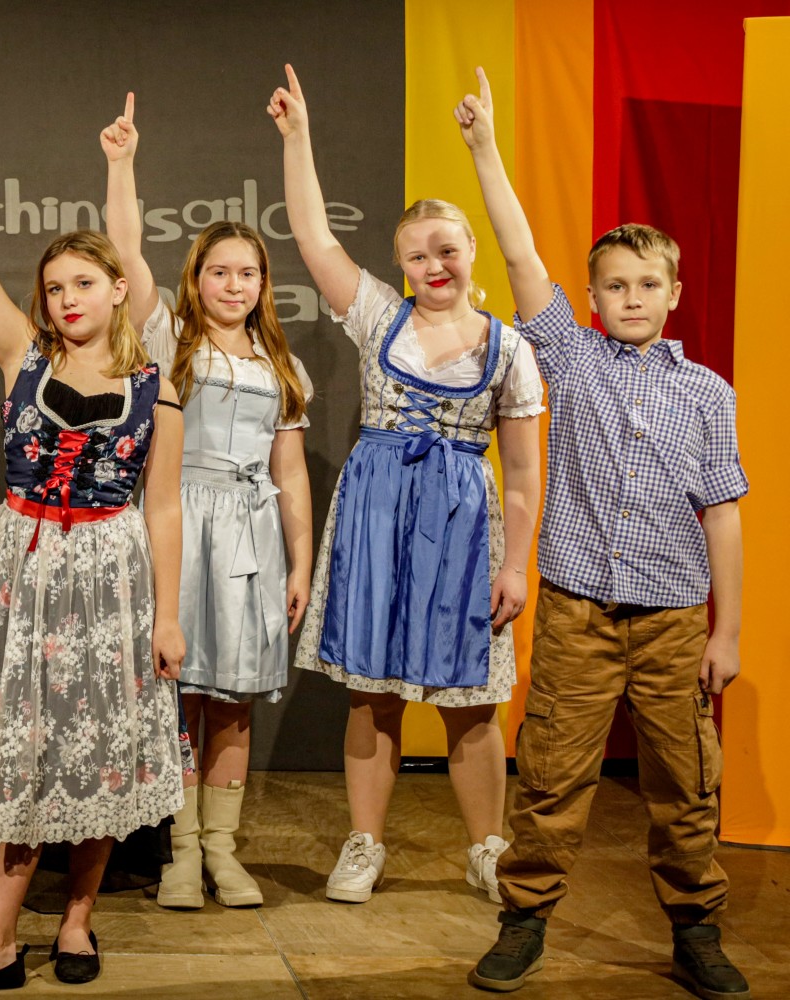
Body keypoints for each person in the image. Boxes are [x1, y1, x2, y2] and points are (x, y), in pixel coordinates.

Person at [455, 68, 750, 999]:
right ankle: (523, 921)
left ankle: (697, 929)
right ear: (590, 295)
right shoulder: (573, 360)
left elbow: (723, 510)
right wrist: (485, 148)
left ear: (674, 293)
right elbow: (518, 255)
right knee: (550, 775)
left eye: (647, 284)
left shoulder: (707, 393)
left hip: (672, 622)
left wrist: (727, 630)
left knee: (686, 785)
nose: (631, 297)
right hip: (579, 613)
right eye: (614, 285)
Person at [0, 96, 190, 999]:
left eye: (84, 284)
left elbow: (166, 509)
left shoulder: (156, 387)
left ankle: (75, 919)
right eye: (56, 287)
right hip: (28, 568)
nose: (67, 299)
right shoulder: (22, 356)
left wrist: (168, 618)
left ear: (119, 289)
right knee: (25, 749)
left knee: (96, 750)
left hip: (112, 574)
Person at [270, 64, 543, 906]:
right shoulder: (380, 316)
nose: (434, 264)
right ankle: (365, 843)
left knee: (471, 703)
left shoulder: (507, 348)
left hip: (462, 527)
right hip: (377, 515)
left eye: (446, 250)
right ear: (401, 264)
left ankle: (487, 847)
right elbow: (315, 240)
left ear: (470, 254)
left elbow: (524, 471)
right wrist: (298, 138)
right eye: (417, 254)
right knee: (373, 695)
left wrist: (515, 565)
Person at [101, 94, 313, 910]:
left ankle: (223, 850)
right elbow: (126, 250)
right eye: (219, 271)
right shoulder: (167, 339)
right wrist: (121, 164)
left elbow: (291, 472)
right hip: (180, 527)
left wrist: (299, 564)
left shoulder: (280, 365)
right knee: (178, 696)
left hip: (252, 540)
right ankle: (179, 851)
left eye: (247, 272)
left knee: (233, 703)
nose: (233, 284)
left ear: (263, 284)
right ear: (197, 278)